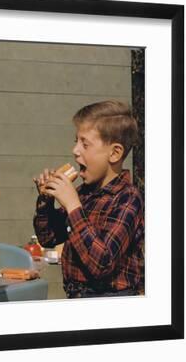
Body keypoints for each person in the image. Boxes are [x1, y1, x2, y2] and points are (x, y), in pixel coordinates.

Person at [32, 100, 144, 298]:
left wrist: (73, 206)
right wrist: (46, 201)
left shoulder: (128, 198)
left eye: (85, 144)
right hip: (78, 298)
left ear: (114, 153)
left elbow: (102, 263)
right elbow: (48, 238)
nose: (75, 150)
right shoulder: (85, 193)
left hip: (113, 303)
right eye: (76, 141)